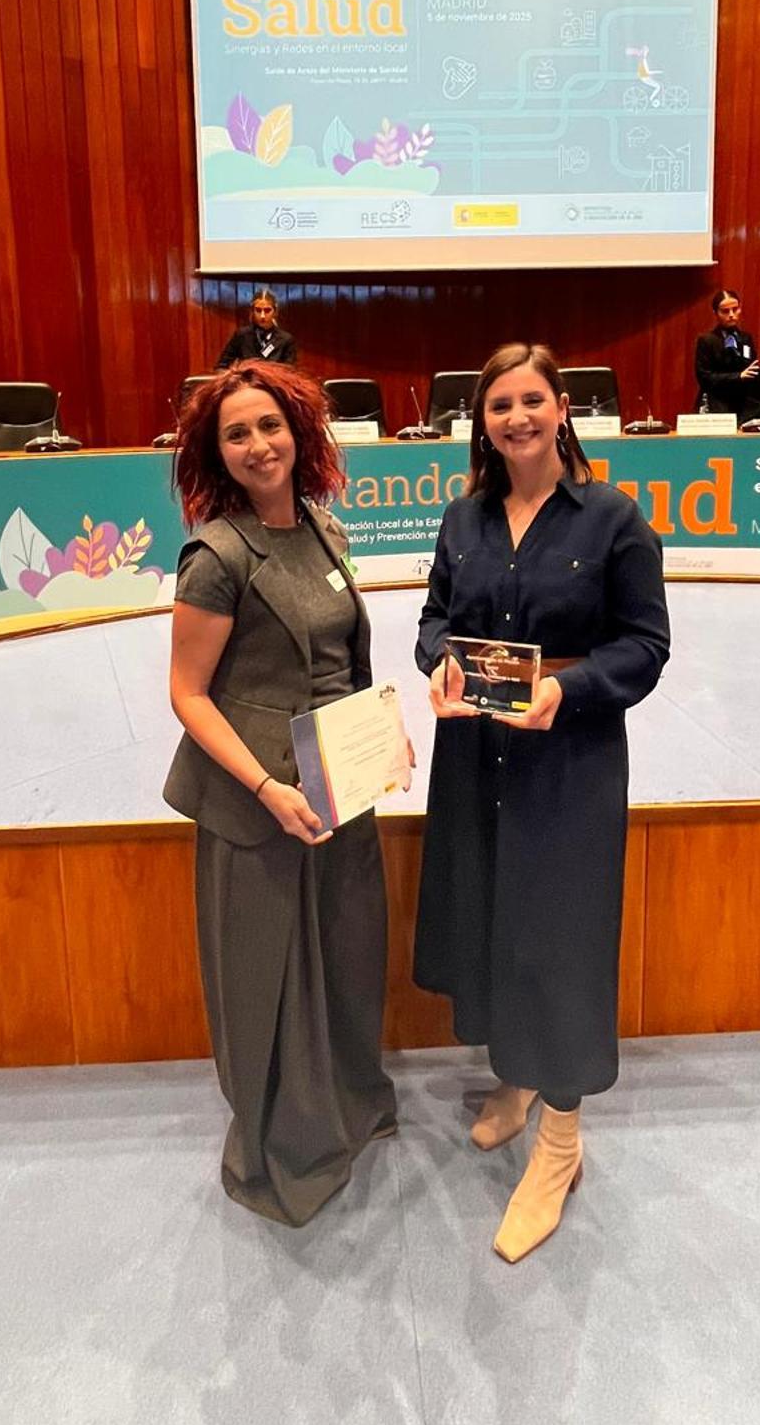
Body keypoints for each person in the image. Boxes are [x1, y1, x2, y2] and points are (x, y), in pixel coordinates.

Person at [413, 342, 670, 1264]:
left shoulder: (614, 521)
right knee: (491, 918)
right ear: (480, 422)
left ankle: (560, 1140)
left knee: (558, 937)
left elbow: (646, 646)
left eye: (532, 401)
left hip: (571, 759)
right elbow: (433, 620)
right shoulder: (464, 517)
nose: (515, 418)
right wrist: (440, 662)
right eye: (497, 406)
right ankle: (514, 1079)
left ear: (563, 408)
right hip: (474, 751)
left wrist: (569, 691)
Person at [164, 361, 396, 1226]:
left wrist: (385, 729)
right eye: (236, 433)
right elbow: (188, 695)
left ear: (299, 432)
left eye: (270, 425)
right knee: (273, 977)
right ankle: (285, 1144)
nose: (258, 444)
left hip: (340, 782)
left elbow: (343, 659)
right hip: (259, 803)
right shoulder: (216, 556)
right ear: (215, 453)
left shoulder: (323, 529)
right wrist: (264, 785)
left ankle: (347, 1105)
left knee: (343, 955)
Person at [694, 288, 760, 418]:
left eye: (735, 309)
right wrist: (738, 376)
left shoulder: (746, 339)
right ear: (715, 313)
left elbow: (751, 369)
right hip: (716, 404)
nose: (731, 314)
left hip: (744, 404)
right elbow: (705, 377)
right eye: (725, 311)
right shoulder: (707, 340)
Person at [214, 288, 298, 369]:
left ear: (275, 312)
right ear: (252, 311)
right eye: (258, 310)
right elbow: (221, 366)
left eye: (267, 310)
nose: (262, 316)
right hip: (247, 382)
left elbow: (289, 373)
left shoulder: (286, 340)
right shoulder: (242, 335)